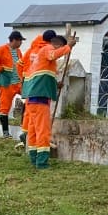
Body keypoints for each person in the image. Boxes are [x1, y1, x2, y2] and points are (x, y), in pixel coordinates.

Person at [20, 31, 76, 168]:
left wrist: (56, 84)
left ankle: (34, 158)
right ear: (57, 44)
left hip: (32, 99)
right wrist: (68, 46)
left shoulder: (40, 58)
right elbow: (53, 54)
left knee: (33, 131)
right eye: (60, 47)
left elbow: (43, 77)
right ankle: (42, 162)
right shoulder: (48, 49)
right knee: (43, 132)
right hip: (40, 100)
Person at [0, 30, 26, 137]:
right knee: (4, 107)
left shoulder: (18, 52)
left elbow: (21, 65)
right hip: (7, 83)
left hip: (19, 82)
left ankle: (25, 126)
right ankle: (5, 132)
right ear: (14, 40)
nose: (21, 43)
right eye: (20, 41)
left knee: (30, 99)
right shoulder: (2, 49)